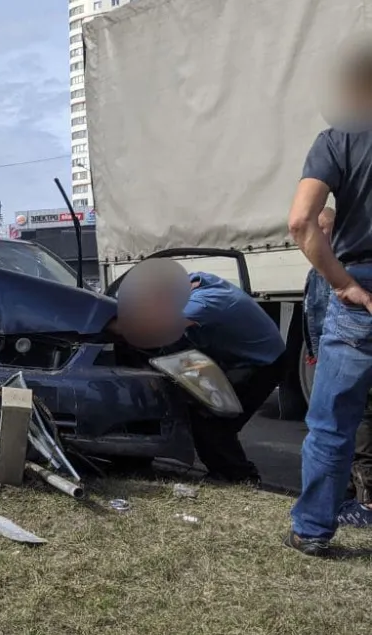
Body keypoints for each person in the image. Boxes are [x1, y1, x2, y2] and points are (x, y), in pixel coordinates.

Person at [285, 41, 372, 556]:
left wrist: (343, 284)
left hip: (360, 296)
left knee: (332, 423)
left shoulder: (338, 140)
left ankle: (313, 530)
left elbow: (301, 222)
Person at [116, 262, 286, 484]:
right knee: (202, 411)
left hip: (261, 364)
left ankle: (238, 476)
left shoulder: (205, 302)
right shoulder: (195, 281)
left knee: (211, 418)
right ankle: (227, 471)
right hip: (232, 356)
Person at [301, 207, 372, 529]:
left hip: (352, 353)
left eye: (321, 232)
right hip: (332, 355)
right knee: (337, 424)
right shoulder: (319, 269)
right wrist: (316, 356)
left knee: (354, 423)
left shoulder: (341, 268)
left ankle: (364, 503)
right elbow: (314, 317)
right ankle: (341, 500)